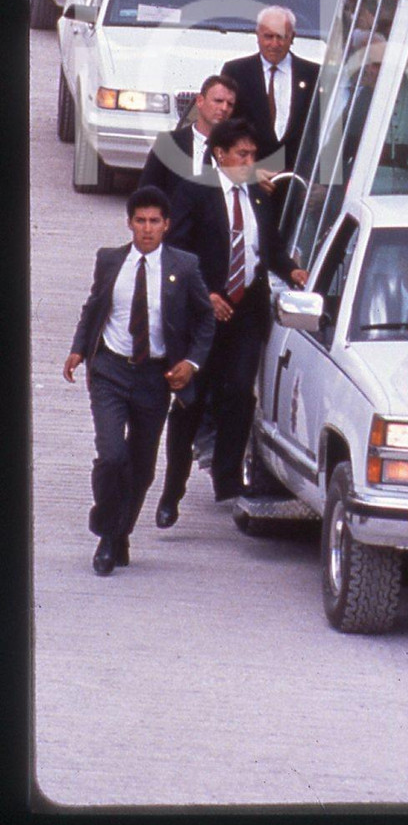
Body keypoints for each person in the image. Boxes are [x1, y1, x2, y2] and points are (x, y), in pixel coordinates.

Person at [155, 120, 307, 521]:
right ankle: (173, 490)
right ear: (220, 154)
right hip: (205, 314)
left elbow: (268, 245)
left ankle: (227, 481)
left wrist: (292, 270)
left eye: (253, 155)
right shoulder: (194, 191)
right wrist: (205, 294)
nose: (249, 161)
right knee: (192, 399)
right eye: (242, 154)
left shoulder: (257, 194)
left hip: (246, 310)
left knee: (240, 391)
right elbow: (175, 251)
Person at [63, 186, 215, 574]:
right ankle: (107, 532)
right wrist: (79, 348)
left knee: (143, 465)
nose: (146, 229)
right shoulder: (110, 260)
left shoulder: (184, 267)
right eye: (140, 221)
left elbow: (205, 321)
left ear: (166, 225)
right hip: (110, 370)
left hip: (155, 376)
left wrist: (192, 363)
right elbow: (94, 305)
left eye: (154, 222)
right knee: (113, 455)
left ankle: (118, 535)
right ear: (129, 223)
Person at [222, 5, 320, 174]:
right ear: (257, 36)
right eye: (268, 37)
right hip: (251, 179)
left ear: (292, 37)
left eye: (281, 37)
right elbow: (226, 129)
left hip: (296, 182)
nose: (274, 44)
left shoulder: (314, 74)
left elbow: (320, 131)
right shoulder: (235, 72)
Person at [138, 73, 238, 201]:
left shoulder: (236, 150)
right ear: (200, 101)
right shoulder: (169, 145)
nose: (224, 108)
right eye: (218, 101)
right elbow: (146, 193)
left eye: (230, 104)